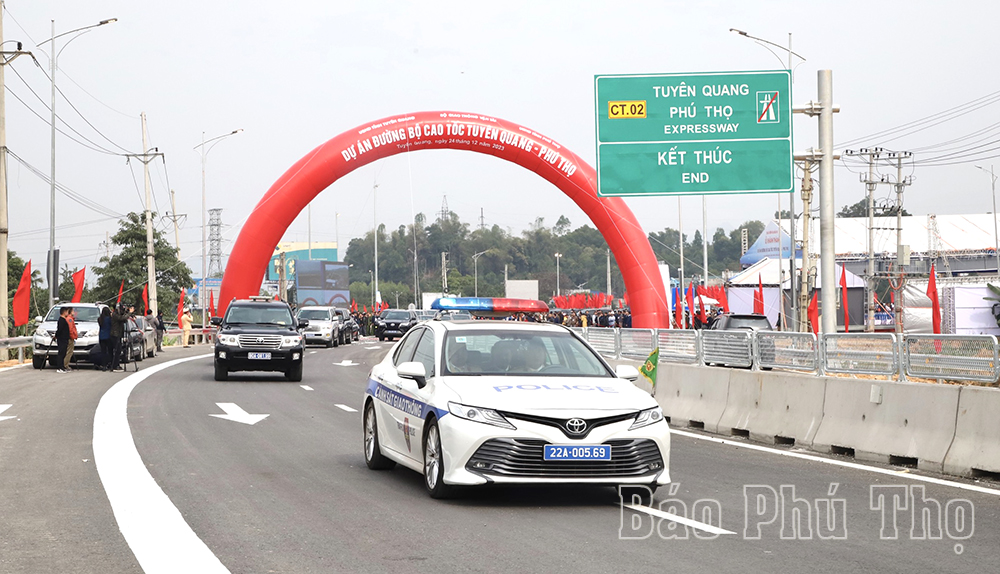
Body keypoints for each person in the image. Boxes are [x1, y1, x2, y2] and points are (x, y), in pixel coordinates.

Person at [110, 303, 133, 372]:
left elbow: (124, 320)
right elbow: (121, 318)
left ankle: (117, 365)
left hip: (119, 334)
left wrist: (126, 313)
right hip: (115, 334)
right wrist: (129, 313)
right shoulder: (115, 314)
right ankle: (114, 366)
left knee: (119, 350)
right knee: (116, 350)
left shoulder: (118, 314)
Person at [55, 307, 71, 374]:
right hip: (61, 339)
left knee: (64, 353)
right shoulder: (61, 320)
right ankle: (59, 367)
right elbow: (59, 330)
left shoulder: (64, 320)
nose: (67, 313)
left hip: (65, 338)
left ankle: (63, 367)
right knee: (61, 353)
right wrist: (56, 335)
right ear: (64, 312)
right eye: (67, 312)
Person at [98, 307, 112, 371]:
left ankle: (103, 365)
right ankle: (109, 363)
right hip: (108, 336)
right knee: (109, 351)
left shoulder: (100, 319)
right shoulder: (109, 319)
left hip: (101, 336)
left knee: (103, 351)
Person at [64, 307, 78, 371]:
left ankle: (65, 364)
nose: (74, 312)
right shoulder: (70, 319)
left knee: (68, 351)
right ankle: (65, 365)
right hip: (70, 338)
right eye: (73, 311)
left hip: (70, 337)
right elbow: (70, 330)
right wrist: (73, 336)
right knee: (69, 352)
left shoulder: (70, 319)